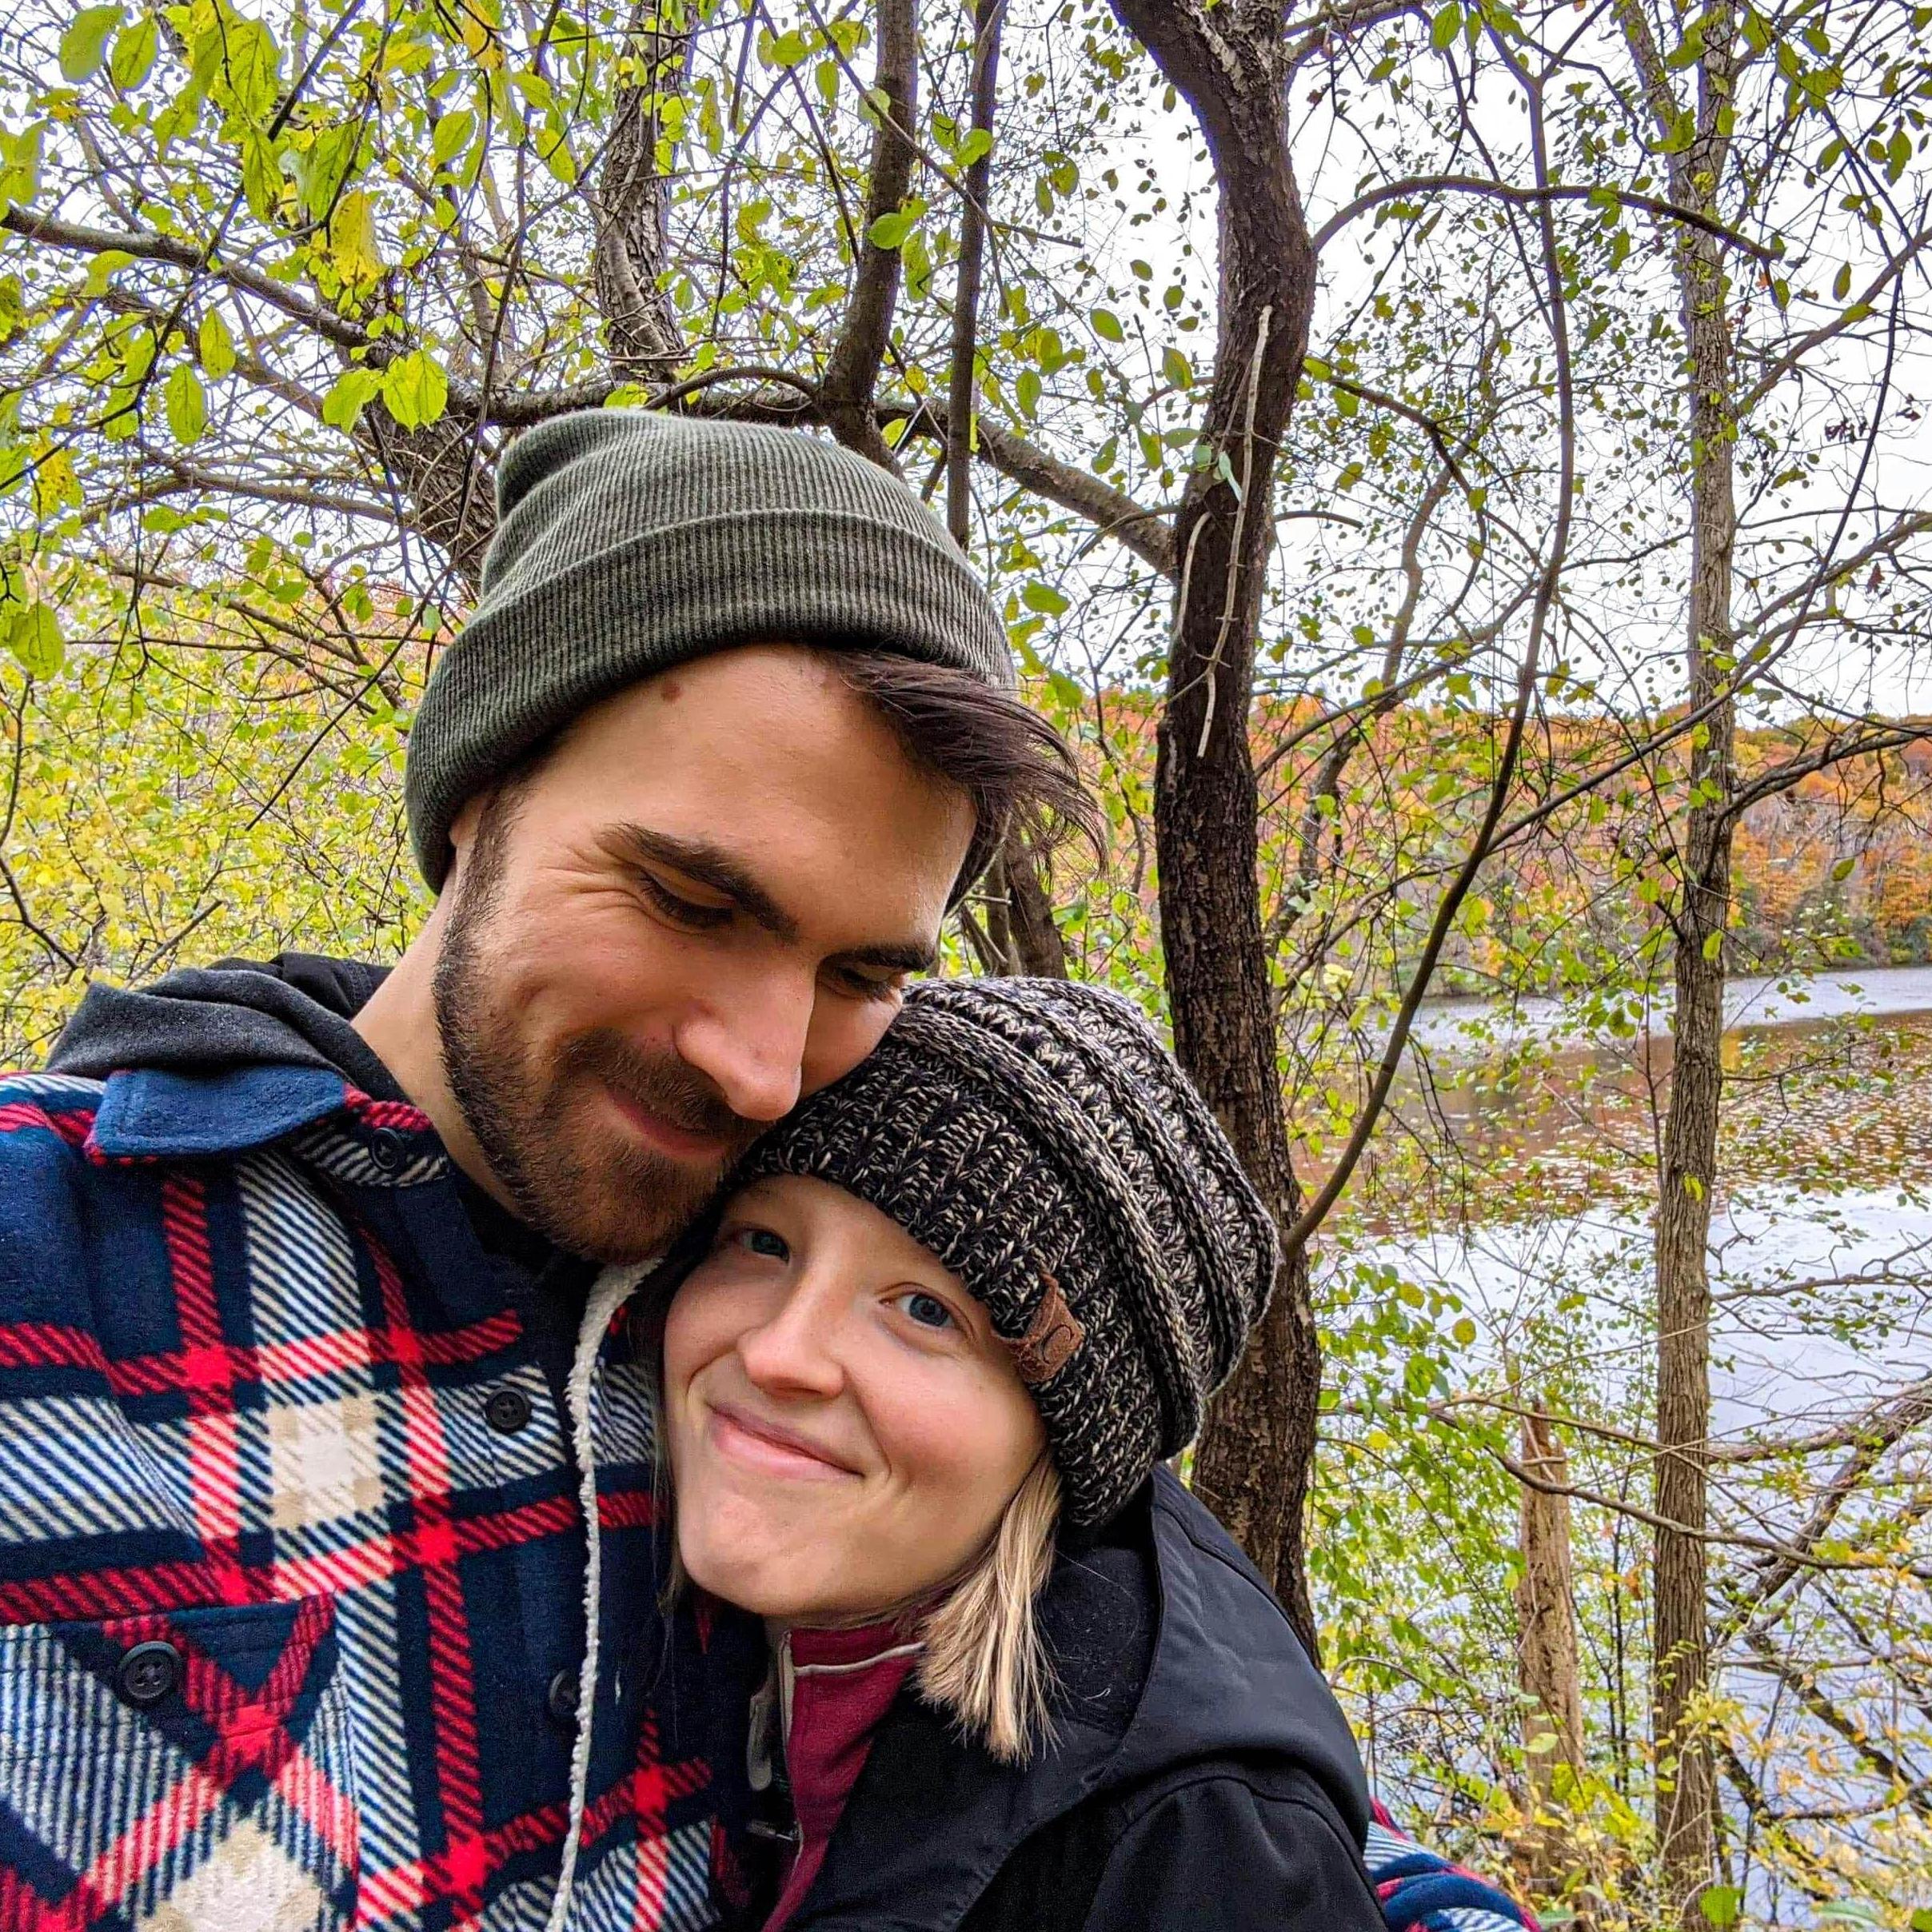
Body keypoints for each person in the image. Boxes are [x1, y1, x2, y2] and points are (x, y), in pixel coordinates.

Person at [0, 410, 1089, 1929]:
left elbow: (1151, 1695)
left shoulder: (778, 1332)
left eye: (858, 971)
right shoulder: (40, 1257)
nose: (762, 1069)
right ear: (477, 795)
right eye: (692, 897)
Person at [623, 976, 1540, 1932]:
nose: (779, 1352)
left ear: (1066, 1442)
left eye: (928, 1311)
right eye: (764, 1241)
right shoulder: (683, 1611)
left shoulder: (1187, 1849)